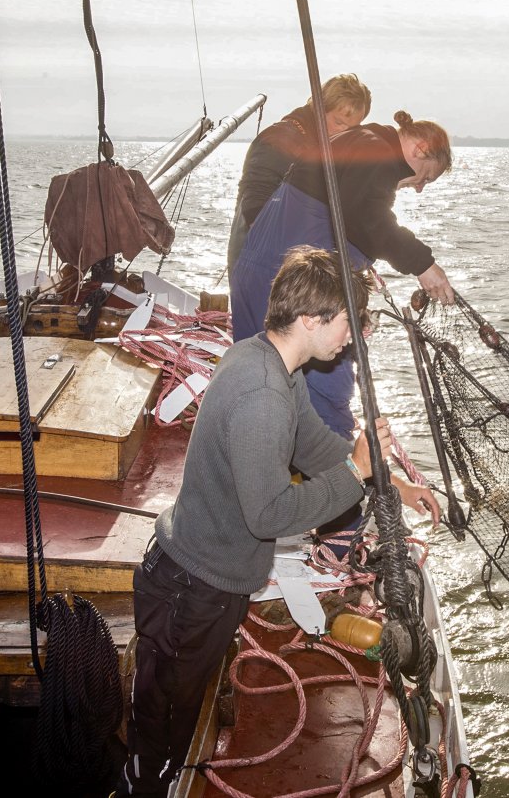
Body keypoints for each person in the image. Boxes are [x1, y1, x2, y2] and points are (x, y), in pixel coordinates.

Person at [117, 246, 440, 798]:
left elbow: (314, 446)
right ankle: (144, 784)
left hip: (212, 577)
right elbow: (267, 515)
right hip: (194, 585)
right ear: (312, 320)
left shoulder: (269, 363)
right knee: (165, 714)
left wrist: (388, 481)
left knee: (178, 696)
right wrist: (354, 470)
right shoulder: (263, 393)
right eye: (346, 323)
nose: (350, 336)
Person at [230, 109, 455, 441]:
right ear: (420, 149)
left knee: (255, 387)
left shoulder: (359, 143)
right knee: (328, 399)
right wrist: (424, 265)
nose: (420, 188)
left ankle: (257, 467)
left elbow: (347, 216)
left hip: (258, 273)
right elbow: (369, 219)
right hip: (296, 291)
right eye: (426, 177)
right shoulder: (376, 151)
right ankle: (344, 482)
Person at [226, 74, 372, 272]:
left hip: (298, 262)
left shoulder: (326, 148)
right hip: (260, 260)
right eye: (339, 122)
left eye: (352, 129)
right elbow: (255, 209)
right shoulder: (279, 139)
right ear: (319, 110)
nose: (344, 132)